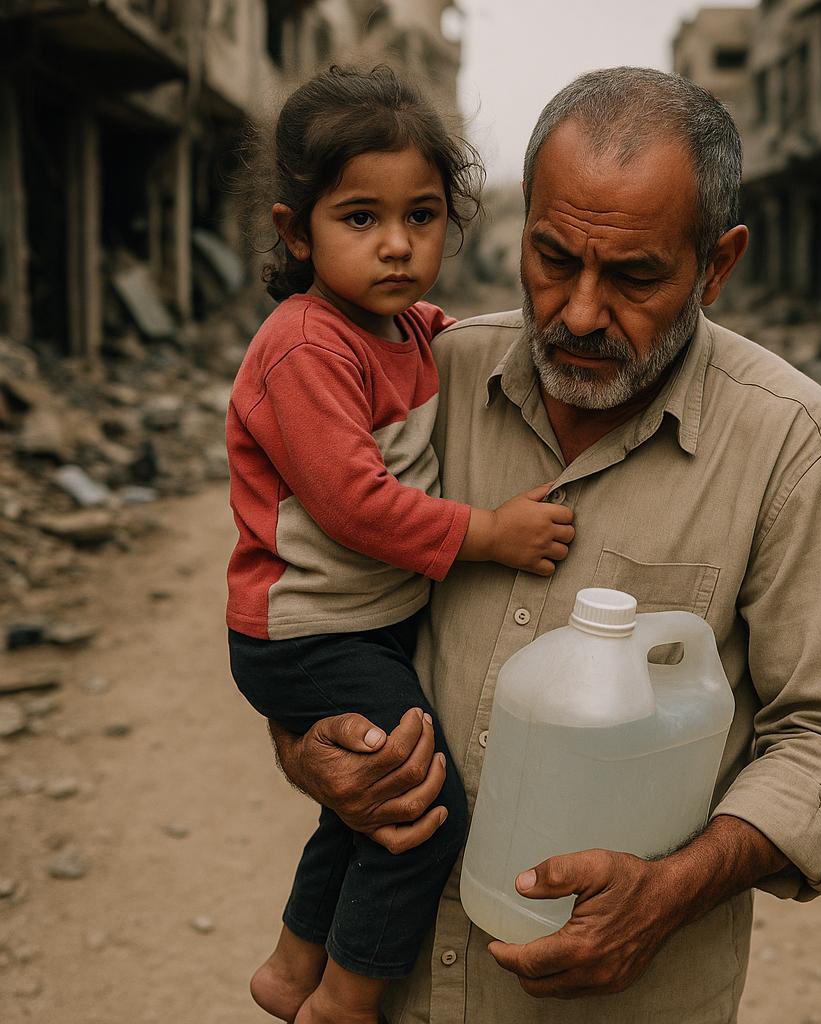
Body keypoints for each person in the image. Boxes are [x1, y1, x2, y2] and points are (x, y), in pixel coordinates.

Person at [269, 66, 821, 1023]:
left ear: (717, 264)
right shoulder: (420, 383)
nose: (578, 313)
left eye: (636, 275)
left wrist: (673, 889)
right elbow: (314, 613)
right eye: (553, 258)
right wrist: (308, 750)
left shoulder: (788, 445)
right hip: (393, 994)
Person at [225, 65, 575, 1024]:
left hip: (354, 627)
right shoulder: (305, 346)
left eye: (422, 217)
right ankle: (344, 1001)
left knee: (367, 798)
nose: (396, 246)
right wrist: (490, 534)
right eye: (360, 219)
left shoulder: (399, 327)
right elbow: (354, 504)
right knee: (422, 812)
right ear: (296, 232)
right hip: (306, 634)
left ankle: (292, 968)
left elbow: (439, 330)